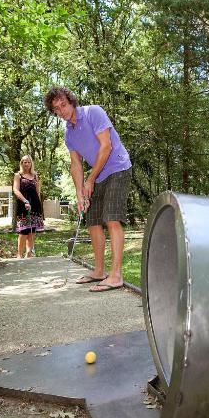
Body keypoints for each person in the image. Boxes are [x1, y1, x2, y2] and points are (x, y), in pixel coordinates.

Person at [44, 86, 132, 292]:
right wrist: (79, 193)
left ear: (71, 101)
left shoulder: (93, 112)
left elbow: (106, 146)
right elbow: (75, 164)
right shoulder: (69, 134)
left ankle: (116, 275)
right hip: (98, 174)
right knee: (92, 220)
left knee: (111, 217)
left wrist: (90, 179)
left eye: (63, 105)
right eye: (56, 109)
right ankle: (99, 271)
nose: (62, 111)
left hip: (118, 167)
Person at [13, 155, 45, 258]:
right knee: (23, 231)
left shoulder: (35, 175)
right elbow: (16, 190)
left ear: (31, 163)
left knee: (32, 230)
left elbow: (38, 192)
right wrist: (25, 201)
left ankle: (29, 253)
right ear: (21, 163)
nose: (26, 164)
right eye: (24, 162)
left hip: (35, 206)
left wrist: (40, 207)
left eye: (28, 162)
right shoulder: (18, 175)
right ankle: (19, 254)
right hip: (23, 205)